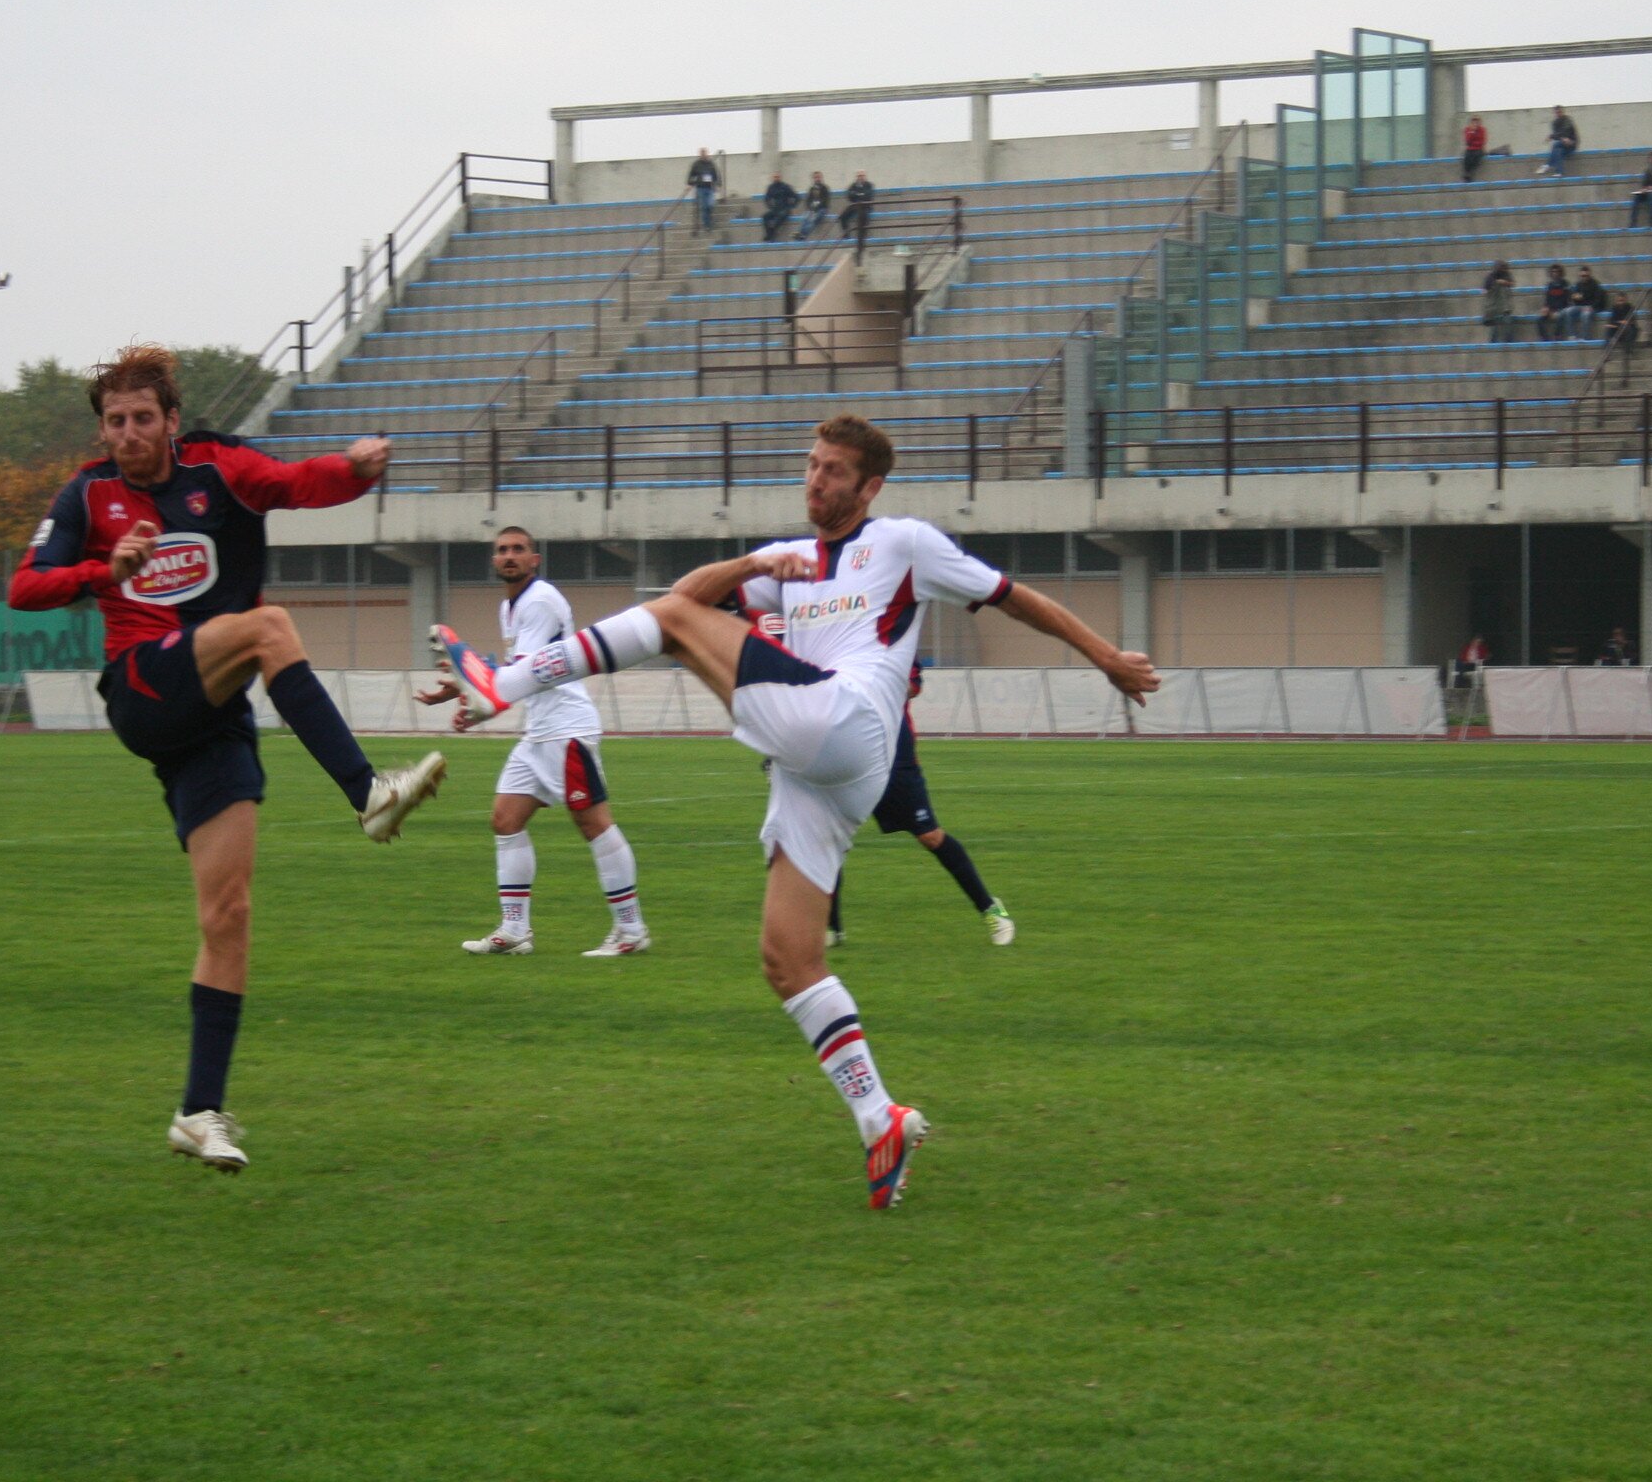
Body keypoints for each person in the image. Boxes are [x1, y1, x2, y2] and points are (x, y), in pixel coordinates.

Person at [427, 415, 1160, 1210]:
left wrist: (1109, 658)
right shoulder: (794, 559)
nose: (815, 481)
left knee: (669, 626)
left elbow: (1018, 600)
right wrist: (753, 561)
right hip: (822, 774)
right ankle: (880, 1118)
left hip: (846, 721)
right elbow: (688, 599)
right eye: (811, 466)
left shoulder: (906, 542)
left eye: (834, 471)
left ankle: (507, 683)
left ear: (869, 486)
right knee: (789, 961)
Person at [8, 345, 449, 1173]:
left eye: (143, 419)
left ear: (172, 420)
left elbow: (294, 483)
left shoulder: (218, 466)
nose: (129, 434)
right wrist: (104, 567)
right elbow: (24, 586)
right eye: (115, 422)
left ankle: (198, 1111)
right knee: (268, 624)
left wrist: (354, 470)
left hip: (211, 719)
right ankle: (367, 790)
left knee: (229, 916)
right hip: (141, 687)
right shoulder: (88, 493)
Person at [428, 527, 651, 958]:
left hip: (566, 731)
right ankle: (515, 930)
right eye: (501, 551)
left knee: (594, 824)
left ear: (535, 559)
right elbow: (515, 673)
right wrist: (462, 689)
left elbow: (527, 673)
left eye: (518, 550)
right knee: (505, 819)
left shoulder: (542, 600)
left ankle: (631, 930)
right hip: (539, 732)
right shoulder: (510, 607)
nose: (509, 556)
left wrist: (478, 694)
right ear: (494, 561)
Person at [826, 664, 1015, 951]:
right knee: (831, 839)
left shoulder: (894, 632)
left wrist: (878, 687)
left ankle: (992, 910)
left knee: (930, 836)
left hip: (895, 757)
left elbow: (913, 685)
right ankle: (831, 927)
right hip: (851, 751)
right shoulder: (835, 636)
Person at [1481, 258, 1517, 344]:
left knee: (1508, 322)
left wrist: (1503, 282)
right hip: (1495, 306)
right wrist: (1496, 283)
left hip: (1504, 306)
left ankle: (1509, 340)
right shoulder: (1491, 276)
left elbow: (1512, 284)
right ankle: (1494, 342)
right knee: (1496, 325)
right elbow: (1485, 290)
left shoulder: (1506, 275)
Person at [1537, 106, 1579, 177]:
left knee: (1556, 144)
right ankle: (1559, 172)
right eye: (1556, 112)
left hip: (1571, 144)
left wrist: (1553, 136)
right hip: (1562, 145)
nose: (1558, 114)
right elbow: (1558, 136)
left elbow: (1565, 132)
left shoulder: (1567, 120)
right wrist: (1559, 137)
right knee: (1557, 150)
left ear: (1563, 112)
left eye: (1560, 112)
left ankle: (1547, 165)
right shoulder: (1554, 123)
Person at [686, 148, 721, 230]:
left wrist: (718, 185)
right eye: (702, 154)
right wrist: (689, 184)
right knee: (704, 207)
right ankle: (707, 225)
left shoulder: (711, 164)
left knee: (710, 204)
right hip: (700, 188)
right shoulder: (696, 164)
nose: (704, 155)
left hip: (710, 188)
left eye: (705, 153)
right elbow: (691, 175)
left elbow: (715, 175)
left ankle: (710, 219)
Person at [1569, 266, 1607, 339]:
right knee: (1569, 311)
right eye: (1582, 276)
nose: (1584, 278)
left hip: (1594, 307)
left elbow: (1598, 300)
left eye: (1586, 276)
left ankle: (1586, 337)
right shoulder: (1578, 285)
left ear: (1589, 275)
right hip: (1582, 307)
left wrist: (1590, 307)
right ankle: (1572, 335)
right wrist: (1575, 298)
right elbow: (1575, 299)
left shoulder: (1595, 285)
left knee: (1585, 314)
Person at [1536, 264, 1572, 341]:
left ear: (1560, 273)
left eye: (1557, 271)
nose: (1555, 273)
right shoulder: (1549, 285)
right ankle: (1544, 337)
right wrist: (1545, 308)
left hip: (1562, 309)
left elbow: (1568, 299)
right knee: (1539, 319)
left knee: (1560, 316)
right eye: (1553, 271)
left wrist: (1558, 310)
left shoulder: (1565, 284)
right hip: (1551, 310)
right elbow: (1547, 300)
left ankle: (1557, 335)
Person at [761, 172, 798, 242]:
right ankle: (769, 234)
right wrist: (770, 206)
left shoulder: (785, 187)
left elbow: (796, 197)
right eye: (775, 177)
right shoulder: (771, 187)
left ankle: (771, 234)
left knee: (780, 217)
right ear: (773, 178)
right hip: (775, 209)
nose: (776, 178)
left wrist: (792, 206)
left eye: (778, 177)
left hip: (785, 209)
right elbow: (767, 198)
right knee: (765, 216)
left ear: (780, 177)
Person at [839, 170, 875, 240]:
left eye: (862, 176)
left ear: (865, 176)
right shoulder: (853, 185)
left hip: (865, 206)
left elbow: (868, 196)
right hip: (855, 205)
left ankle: (863, 236)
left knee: (863, 216)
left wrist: (856, 194)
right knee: (842, 216)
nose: (861, 177)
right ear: (857, 177)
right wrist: (860, 194)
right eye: (859, 176)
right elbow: (849, 196)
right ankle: (846, 234)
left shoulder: (869, 185)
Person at [797, 171, 831, 240]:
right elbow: (808, 201)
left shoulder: (825, 188)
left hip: (822, 209)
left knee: (814, 219)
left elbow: (825, 201)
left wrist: (817, 206)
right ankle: (801, 233)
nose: (817, 179)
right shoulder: (811, 189)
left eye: (818, 177)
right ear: (813, 178)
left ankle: (803, 234)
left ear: (821, 178)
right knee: (805, 217)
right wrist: (810, 208)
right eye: (815, 177)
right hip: (812, 209)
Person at [1460, 114, 1488, 182]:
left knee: (1476, 155)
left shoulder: (1482, 130)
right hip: (1470, 149)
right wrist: (1472, 132)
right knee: (1467, 157)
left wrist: (1474, 143)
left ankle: (1470, 173)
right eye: (1474, 121)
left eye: (1477, 121)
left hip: (1479, 149)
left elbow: (1482, 141)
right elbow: (1467, 141)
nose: (1475, 123)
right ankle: (1467, 173)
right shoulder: (1467, 129)